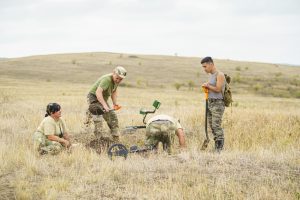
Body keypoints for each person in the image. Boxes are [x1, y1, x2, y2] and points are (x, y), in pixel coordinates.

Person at [86, 66, 127, 143]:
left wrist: (115, 104)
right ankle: (98, 140)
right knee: (98, 115)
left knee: (112, 116)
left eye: (120, 79)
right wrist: (104, 106)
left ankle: (116, 139)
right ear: (113, 73)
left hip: (103, 99)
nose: (118, 80)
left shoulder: (116, 81)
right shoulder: (107, 79)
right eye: (117, 78)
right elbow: (98, 93)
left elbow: (114, 91)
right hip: (94, 97)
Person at [201, 56, 226, 152]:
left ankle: (219, 149)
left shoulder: (219, 75)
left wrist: (208, 85)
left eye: (205, 66)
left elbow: (218, 89)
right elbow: (211, 87)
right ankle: (217, 147)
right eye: (203, 67)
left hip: (218, 103)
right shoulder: (210, 75)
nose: (204, 69)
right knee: (211, 125)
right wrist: (206, 86)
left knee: (216, 125)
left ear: (211, 64)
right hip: (210, 102)